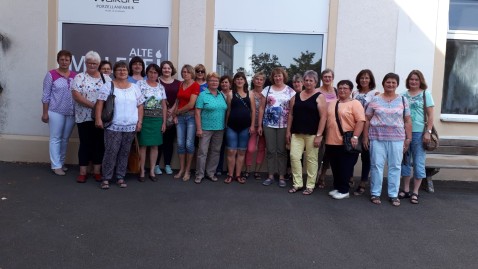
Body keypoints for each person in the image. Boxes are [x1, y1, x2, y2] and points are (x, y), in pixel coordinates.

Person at [363, 73, 412, 206]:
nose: (390, 85)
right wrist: (365, 136)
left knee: (395, 166)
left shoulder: (403, 100)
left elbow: (407, 120)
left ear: (397, 85)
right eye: (388, 82)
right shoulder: (375, 99)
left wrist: (408, 138)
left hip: (397, 138)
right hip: (377, 137)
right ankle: (375, 193)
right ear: (383, 83)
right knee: (376, 166)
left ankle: (393, 194)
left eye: (393, 83)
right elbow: (366, 119)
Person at [95, 61, 145, 189]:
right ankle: (106, 178)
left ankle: (120, 177)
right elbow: (100, 103)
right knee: (111, 151)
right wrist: (98, 119)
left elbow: (140, 106)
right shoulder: (108, 86)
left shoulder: (134, 87)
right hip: (113, 125)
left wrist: (139, 122)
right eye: (119, 70)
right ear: (114, 72)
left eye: (124, 70)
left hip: (130, 126)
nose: (122, 72)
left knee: (124, 152)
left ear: (128, 72)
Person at [71, 51, 110, 183]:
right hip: (84, 117)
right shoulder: (79, 77)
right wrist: (95, 106)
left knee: (99, 144)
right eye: (89, 63)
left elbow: (111, 97)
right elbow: (76, 96)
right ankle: (83, 172)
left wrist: (100, 110)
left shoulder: (106, 78)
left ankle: (97, 172)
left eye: (95, 63)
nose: (92, 65)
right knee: (85, 144)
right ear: (85, 63)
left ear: (99, 64)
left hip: (101, 118)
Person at [286, 70, 327, 195]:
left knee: (311, 159)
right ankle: (297, 183)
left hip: (313, 134)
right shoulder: (296, 96)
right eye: (306, 80)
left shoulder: (319, 97)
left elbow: (323, 117)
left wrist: (319, 135)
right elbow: (291, 115)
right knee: (294, 157)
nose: (308, 82)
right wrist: (288, 131)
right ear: (303, 82)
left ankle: (310, 185)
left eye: (311, 80)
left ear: (315, 82)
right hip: (296, 133)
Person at [399, 70, 435, 204]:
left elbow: (431, 115)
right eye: (411, 79)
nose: (413, 81)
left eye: (416, 79)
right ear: (408, 81)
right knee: (405, 161)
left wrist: (428, 132)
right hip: (404, 132)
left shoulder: (426, 94)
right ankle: (406, 189)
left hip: (420, 133)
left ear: (420, 81)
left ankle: (416, 191)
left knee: (419, 162)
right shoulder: (402, 95)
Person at [326, 80, 366, 199]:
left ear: (350, 90)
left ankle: (344, 190)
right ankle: (338, 187)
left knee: (345, 167)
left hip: (346, 141)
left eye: (345, 88)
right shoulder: (333, 103)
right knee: (335, 166)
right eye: (340, 88)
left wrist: (355, 136)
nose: (342, 90)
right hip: (331, 140)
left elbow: (360, 121)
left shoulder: (355, 103)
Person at [41, 50, 77, 176]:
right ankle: (55, 165)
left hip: (71, 112)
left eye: (67, 60)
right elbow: (46, 95)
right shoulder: (51, 75)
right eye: (62, 59)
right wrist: (45, 113)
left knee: (65, 139)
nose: (64, 62)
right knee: (55, 138)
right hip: (55, 111)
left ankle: (61, 162)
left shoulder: (75, 76)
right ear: (58, 60)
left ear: (70, 61)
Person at [261, 67, 296, 187]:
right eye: (275, 76)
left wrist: (289, 130)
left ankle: (281, 176)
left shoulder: (290, 91)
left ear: (283, 76)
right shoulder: (267, 89)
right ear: (273, 78)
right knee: (270, 150)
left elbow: (291, 111)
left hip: (284, 125)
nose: (277, 78)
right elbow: (261, 108)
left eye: (279, 75)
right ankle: (270, 175)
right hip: (268, 124)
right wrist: (260, 124)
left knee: (281, 151)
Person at [194, 72, 228, 184]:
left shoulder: (221, 95)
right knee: (202, 152)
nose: (214, 82)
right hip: (205, 128)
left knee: (215, 151)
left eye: (216, 81)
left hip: (219, 129)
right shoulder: (203, 95)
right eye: (212, 80)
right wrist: (199, 128)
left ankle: (210, 173)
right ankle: (199, 174)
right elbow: (197, 112)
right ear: (207, 82)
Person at [136, 64, 167, 182]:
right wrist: (139, 121)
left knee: (155, 146)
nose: (153, 74)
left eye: (155, 72)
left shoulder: (160, 87)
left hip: (157, 120)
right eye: (150, 72)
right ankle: (142, 171)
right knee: (143, 145)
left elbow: (164, 105)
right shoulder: (140, 84)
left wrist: (164, 122)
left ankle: (152, 171)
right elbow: (138, 102)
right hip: (144, 118)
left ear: (158, 74)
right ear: (147, 72)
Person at [351, 69, 380, 195]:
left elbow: (376, 112)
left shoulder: (376, 94)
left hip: (368, 128)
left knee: (365, 156)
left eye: (367, 78)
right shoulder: (354, 93)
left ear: (371, 80)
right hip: (355, 127)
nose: (364, 80)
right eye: (362, 78)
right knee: (351, 154)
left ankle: (363, 182)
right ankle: (349, 177)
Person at [224, 72, 255, 184]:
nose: (239, 81)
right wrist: (226, 125)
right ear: (234, 81)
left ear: (245, 81)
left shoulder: (250, 94)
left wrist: (252, 125)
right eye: (237, 79)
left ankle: (238, 175)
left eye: (242, 79)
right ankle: (230, 175)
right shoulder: (230, 94)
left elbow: (253, 111)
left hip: (245, 127)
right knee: (231, 151)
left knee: (241, 152)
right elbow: (229, 110)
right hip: (232, 126)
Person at [173, 64, 200, 181]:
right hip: (180, 118)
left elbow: (191, 104)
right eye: (183, 72)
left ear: (191, 73)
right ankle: (182, 169)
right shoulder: (181, 84)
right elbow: (178, 100)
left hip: (190, 117)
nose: (185, 74)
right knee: (180, 144)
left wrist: (177, 112)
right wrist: (174, 113)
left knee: (189, 144)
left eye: (187, 72)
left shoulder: (195, 86)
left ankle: (188, 170)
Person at [155, 60, 181, 175]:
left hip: (173, 115)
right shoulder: (157, 81)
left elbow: (178, 98)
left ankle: (167, 165)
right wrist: (165, 109)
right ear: (161, 69)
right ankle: (156, 165)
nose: (166, 70)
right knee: (158, 141)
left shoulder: (178, 83)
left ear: (172, 70)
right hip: (159, 115)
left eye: (169, 68)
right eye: (164, 68)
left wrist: (173, 110)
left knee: (169, 142)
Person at [316, 69, 337, 188]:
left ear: (332, 78)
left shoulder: (337, 92)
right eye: (325, 77)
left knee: (328, 153)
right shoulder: (317, 91)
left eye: (329, 77)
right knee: (318, 151)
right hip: (319, 125)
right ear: (321, 78)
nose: (327, 79)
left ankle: (322, 176)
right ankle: (314, 176)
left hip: (332, 126)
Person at [244, 72, 266, 180]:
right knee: (250, 148)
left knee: (261, 148)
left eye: (261, 79)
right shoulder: (249, 93)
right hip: (252, 124)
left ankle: (257, 171)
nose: (259, 81)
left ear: (264, 81)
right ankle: (247, 170)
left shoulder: (267, 93)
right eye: (257, 79)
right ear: (253, 80)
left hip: (264, 125)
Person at [215, 75, 233, 176]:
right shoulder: (217, 94)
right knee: (220, 148)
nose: (224, 84)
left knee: (231, 148)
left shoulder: (234, 94)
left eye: (226, 82)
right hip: (219, 124)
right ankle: (219, 168)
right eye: (222, 82)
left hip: (231, 124)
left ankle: (230, 169)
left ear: (230, 84)